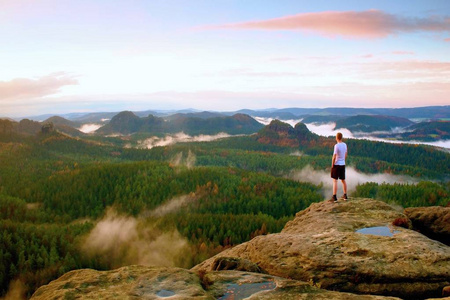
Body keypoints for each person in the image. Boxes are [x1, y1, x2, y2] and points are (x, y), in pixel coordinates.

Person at [329, 132, 347, 202]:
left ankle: (334, 197)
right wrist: (343, 160)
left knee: (335, 180)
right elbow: (346, 154)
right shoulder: (345, 145)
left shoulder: (336, 146)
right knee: (343, 180)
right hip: (342, 164)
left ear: (336, 138)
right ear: (341, 137)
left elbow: (334, 156)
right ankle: (345, 195)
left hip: (336, 164)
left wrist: (332, 164)